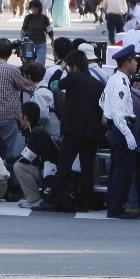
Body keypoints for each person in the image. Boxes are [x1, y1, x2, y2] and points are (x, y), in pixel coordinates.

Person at [33, 50, 106, 213]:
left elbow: (53, 85)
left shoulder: (73, 77)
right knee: (87, 168)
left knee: (64, 167)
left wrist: (61, 68)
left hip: (73, 131)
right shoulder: (99, 84)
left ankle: (52, 200)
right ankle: (84, 203)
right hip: (92, 132)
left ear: (73, 66)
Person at [102, 45, 140, 219]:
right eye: (134, 60)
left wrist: (108, 117)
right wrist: (128, 133)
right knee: (123, 171)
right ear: (126, 63)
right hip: (122, 127)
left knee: (117, 169)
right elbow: (118, 112)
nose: (136, 63)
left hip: (116, 127)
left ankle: (114, 205)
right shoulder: (120, 83)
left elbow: (102, 102)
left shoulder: (115, 79)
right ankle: (116, 207)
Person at [0, 38, 32, 157]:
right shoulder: (12, 70)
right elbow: (26, 86)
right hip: (9, 117)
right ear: (10, 54)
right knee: (7, 152)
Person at [12, 103, 58, 208]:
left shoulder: (35, 134)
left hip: (48, 174)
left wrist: (7, 161)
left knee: (18, 166)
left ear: (25, 117)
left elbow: (26, 159)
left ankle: (34, 199)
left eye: (20, 114)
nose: (19, 117)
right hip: (50, 172)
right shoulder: (39, 130)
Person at [20, 0, 52, 66]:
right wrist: (21, 39)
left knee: (40, 63)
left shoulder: (44, 18)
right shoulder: (28, 18)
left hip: (41, 43)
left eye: (35, 8)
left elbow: (50, 31)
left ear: (39, 8)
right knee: (30, 63)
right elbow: (23, 29)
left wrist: (53, 41)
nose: (33, 10)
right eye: (32, 8)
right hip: (30, 44)